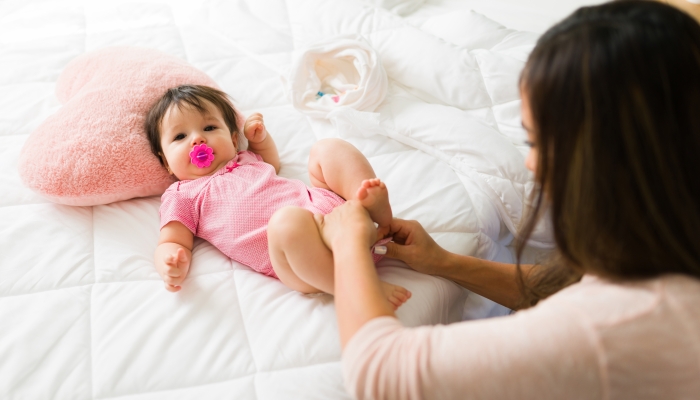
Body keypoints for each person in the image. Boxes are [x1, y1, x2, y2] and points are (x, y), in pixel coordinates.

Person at [315, 1, 700, 398]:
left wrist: (347, 247)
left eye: (535, 142)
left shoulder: (612, 329)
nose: (530, 163)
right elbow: (565, 288)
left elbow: (380, 373)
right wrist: (443, 262)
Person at [145, 84, 411, 308]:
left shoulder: (244, 158)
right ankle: (355, 287)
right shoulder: (182, 195)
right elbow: (170, 240)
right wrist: (170, 261)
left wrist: (260, 140)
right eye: (180, 136)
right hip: (302, 258)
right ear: (166, 162)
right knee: (286, 221)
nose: (197, 140)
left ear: (234, 138)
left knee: (326, 149)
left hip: (338, 214)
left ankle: (374, 209)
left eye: (210, 128)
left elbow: (271, 163)